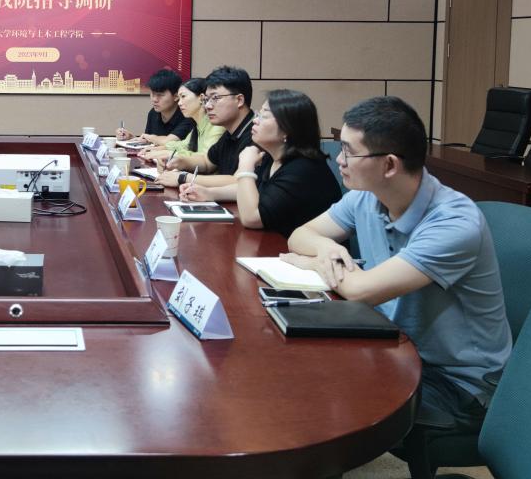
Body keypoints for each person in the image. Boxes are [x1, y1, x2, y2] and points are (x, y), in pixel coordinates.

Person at [283, 96, 510, 476]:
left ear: (389, 164)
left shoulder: (454, 223)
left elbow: (361, 291)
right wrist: (327, 250)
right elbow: (300, 235)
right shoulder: (365, 198)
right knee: (290, 370)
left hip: (457, 384)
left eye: (349, 151)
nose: (339, 161)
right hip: (393, 346)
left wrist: (314, 263)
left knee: (314, 402)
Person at [179, 89, 340, 237]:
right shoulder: (272, 156)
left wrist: (245, 168)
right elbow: (254, 190)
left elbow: (252, 218)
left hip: (308, 253)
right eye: (258, 114)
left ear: (287, 129)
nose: (255, 121)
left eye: (264, 116)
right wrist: (209, 193)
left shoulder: (303, 169)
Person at [158, 65, 254, 188]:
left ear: (239, 100)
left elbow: (239, 181)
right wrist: (181, 161)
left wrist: (184, 178)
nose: (208, 106)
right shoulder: (230, 132)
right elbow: (207, 162)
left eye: (215, 98)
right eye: (207, 99)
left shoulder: (256, 133)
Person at [139, 77, 223, 162]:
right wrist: (159, 149)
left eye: (183, 96)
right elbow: (184, 145)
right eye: (179, 98)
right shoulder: (198, 125)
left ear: (201, 98)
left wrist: (169, 154)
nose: (179, 103)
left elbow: (206, 158)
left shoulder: (216, 125)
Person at [116, 68, 194, 146]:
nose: (154, 99)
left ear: (176, 96)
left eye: (160, 95)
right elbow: (149, 141)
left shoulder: (187, 115)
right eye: (152, 94)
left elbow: (169, 142)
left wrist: (149, 138)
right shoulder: (153, 113)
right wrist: (131, 137)